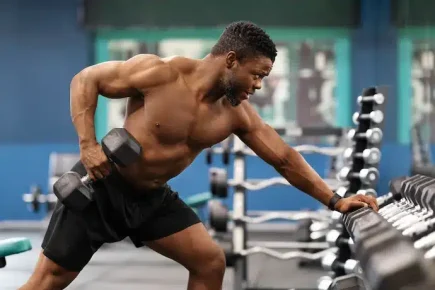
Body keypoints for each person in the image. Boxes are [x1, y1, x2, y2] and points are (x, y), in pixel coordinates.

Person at [20, 21, 378, 290]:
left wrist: (334, 200)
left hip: (151, 199)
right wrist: (88, 145)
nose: (258, 86)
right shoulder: (160, 73)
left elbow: (283, 158)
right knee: (46, 283)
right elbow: (85, 80)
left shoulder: (236, 114)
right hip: (102, 186)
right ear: (231, 60)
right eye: (257, 75)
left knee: (209, 262)